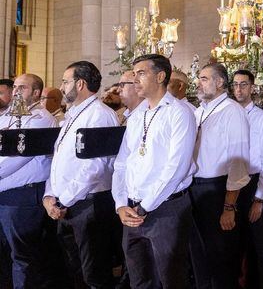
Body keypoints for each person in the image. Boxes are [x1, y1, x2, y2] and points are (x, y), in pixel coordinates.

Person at [111, 54, 196, 288]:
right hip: (132, 209)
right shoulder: (138, 115)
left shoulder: (180, 113)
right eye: (134, 73)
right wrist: (120, 203)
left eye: (141, 73)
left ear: (160, 76)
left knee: (171, 279)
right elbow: (121, 164)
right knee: (140, 281)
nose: (134, 79)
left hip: (166, 208)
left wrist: (145, 206)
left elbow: (176, 168)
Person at [43, 61, 118, 288]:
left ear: (81, 83)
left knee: (95, 274)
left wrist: (63, 199)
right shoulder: (74, 114)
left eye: (65, 81)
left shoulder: (100, 115)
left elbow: (95, 167)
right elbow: (59, 161)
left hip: (90, 204)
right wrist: (50, 196)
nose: (62, 87)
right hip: (68, 203)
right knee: (75, 272)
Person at [189, 63, 250, 288]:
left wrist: (229, 207)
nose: (198, 82)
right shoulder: (199, 111)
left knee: (222, 260)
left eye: (204, 78)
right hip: (195, 189)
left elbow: (238, 161)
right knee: (200, 258)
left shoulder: (233, 111)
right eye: (199, 78)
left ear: (220, 82)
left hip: (219, 191)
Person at [0, 74, 57, 288]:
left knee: (22, 257)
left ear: (36, 93)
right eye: (14, 87)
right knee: (4, 255)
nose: (15, 91)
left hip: (22, 196)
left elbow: (19, 156)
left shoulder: (41, 118)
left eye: (22, 87)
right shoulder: (7, 116)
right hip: (4, 193)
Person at [232, 70, 263, 289]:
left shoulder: (261, 117)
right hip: (230, 184)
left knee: (261, 247)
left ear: (252, 88)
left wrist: (259, 198)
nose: (239, 89)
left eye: (243, 85)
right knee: (235, 244)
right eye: (236, 85)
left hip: (252, 184)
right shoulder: (228, 115)